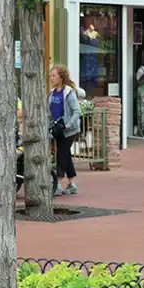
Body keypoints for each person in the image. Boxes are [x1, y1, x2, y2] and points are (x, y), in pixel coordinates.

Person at [49, 64, 81, 195]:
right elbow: (49, 111)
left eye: (54, 75)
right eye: (50, 75)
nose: (51, 78)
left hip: (69, 130)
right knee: (66, 155)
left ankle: (58, 185)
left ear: (61, 77)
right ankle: (72, 184)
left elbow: (76, 111)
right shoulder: (52, 93)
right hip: (58, 130)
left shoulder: (69, 93)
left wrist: (68, 124)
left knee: (61, 154)